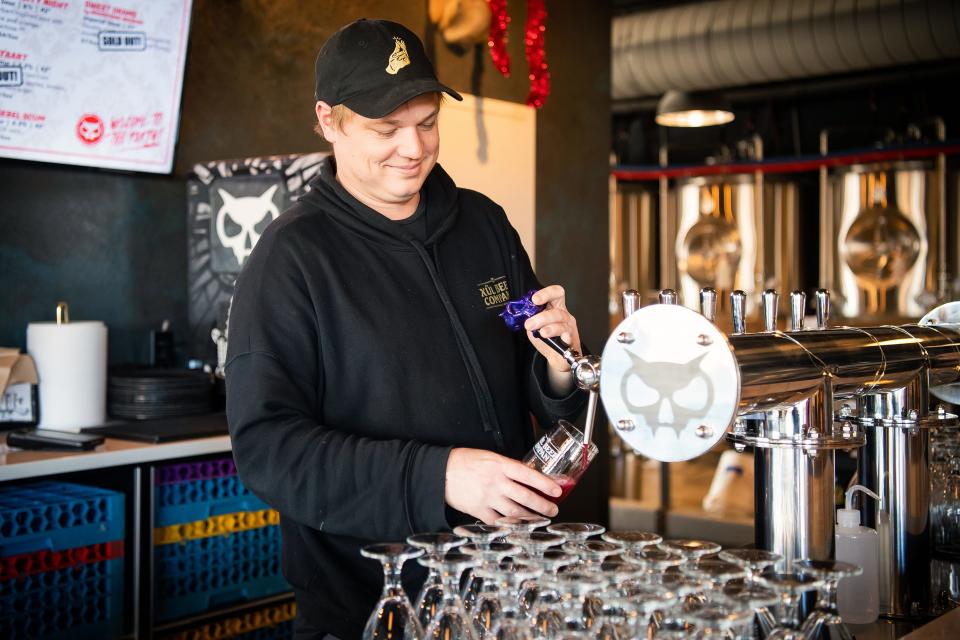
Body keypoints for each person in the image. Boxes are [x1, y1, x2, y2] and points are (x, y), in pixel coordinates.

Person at [225, 18, 586, 638]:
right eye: (385, 129)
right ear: (328, 121)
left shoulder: (485, 226)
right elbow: (269, 449)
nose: (413, 148)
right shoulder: (291, 258)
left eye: (426, 122)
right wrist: (439, 475)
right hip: (369, 607)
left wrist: (558, 368)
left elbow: (538, 374)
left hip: (502, 589)